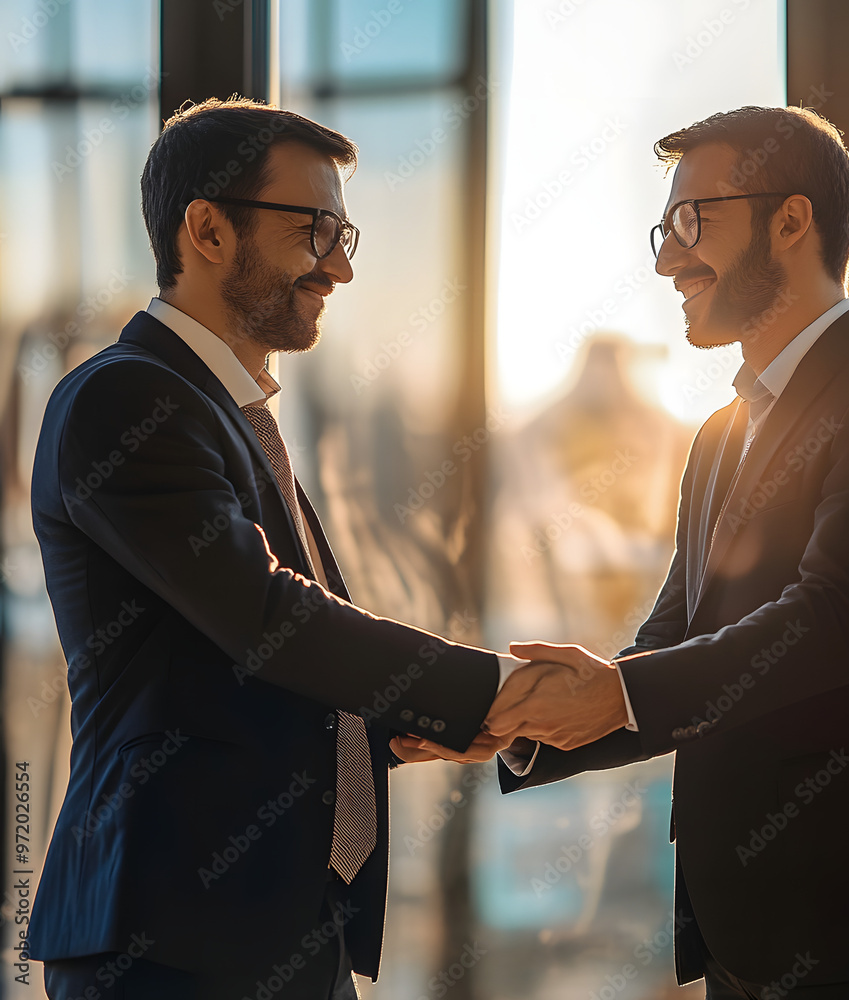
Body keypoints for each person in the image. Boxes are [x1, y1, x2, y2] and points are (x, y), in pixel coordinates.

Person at [474, 106, 849, 997]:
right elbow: (673, 641)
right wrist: (516, 726)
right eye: (664, 229)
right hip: (737, 924)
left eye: (691, 221)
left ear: (791, 220)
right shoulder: (718, 434)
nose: (667, 259)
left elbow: (837, 622)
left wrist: (618, 692)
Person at [28, 97, 517, 1000]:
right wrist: (490, 686)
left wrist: (398, 726)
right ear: (207, 229)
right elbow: (269, 619)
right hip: (168, 941)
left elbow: (230, 671)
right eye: (315, 231)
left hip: (280, 932)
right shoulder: (124, 401)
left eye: (346, 235)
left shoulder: (231, 417)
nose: (338, 268)